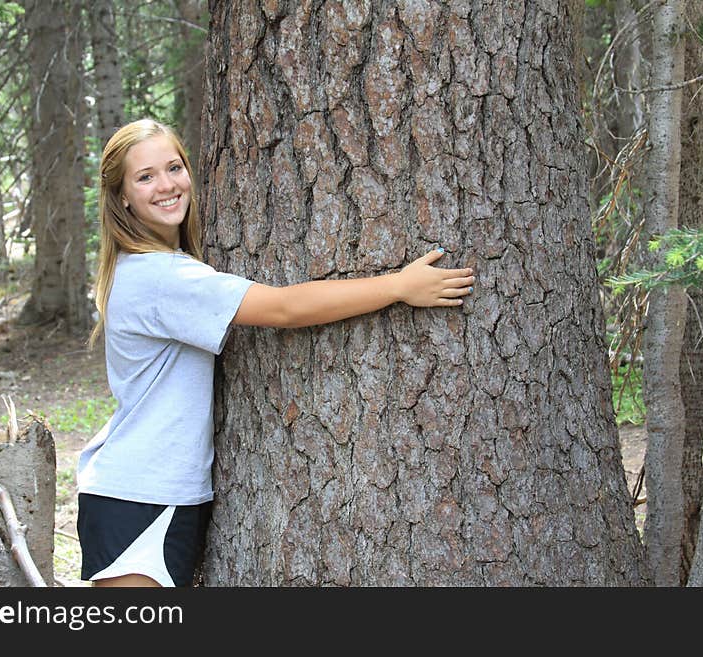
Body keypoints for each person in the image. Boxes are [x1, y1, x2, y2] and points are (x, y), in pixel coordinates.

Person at [76, 118, 476, 588]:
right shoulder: (161, 277)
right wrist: (397, 286)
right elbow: (284, 308)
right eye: (145, 177)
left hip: (154, 491)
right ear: (122, 195)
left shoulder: (156, 268)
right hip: (139, 496)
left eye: (174, 167)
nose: (167, 185)